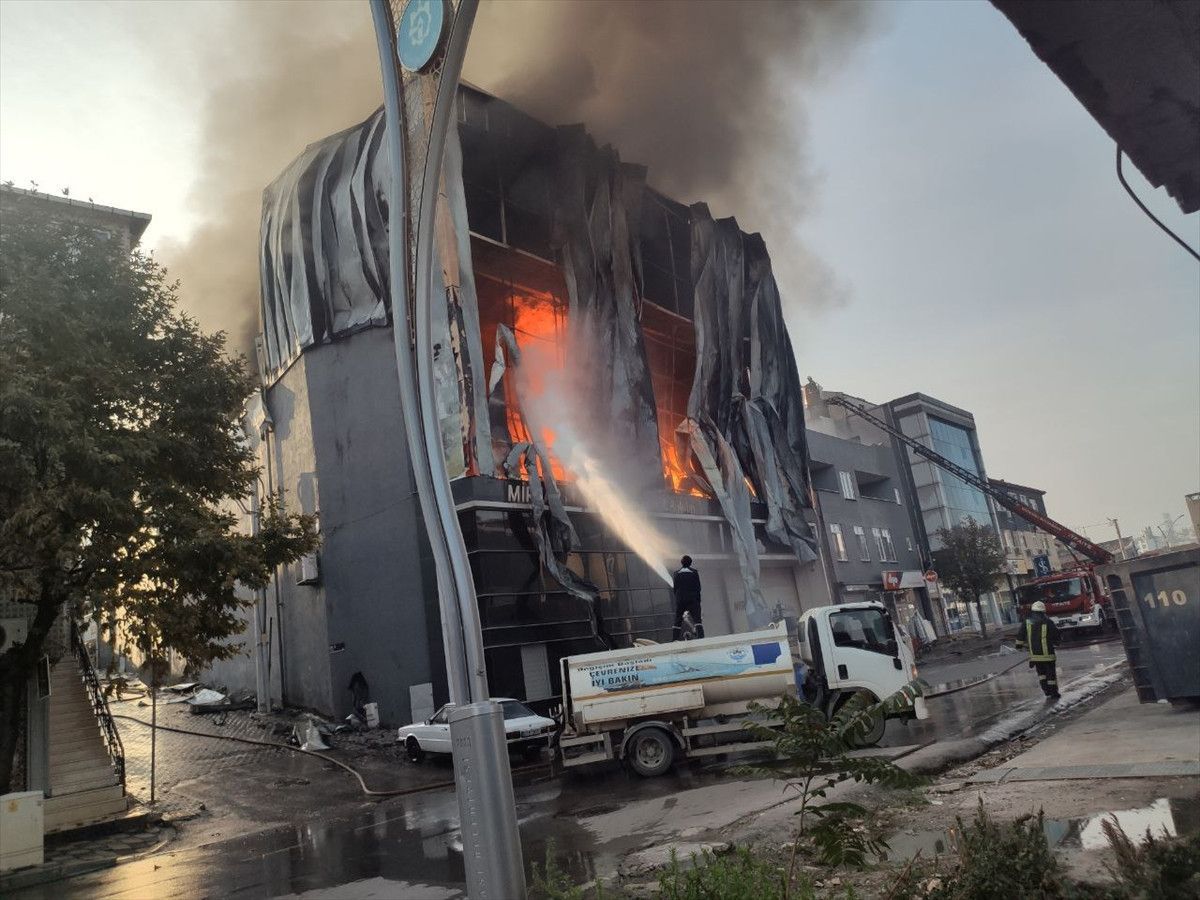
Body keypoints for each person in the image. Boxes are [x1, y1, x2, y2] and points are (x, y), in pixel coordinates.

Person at [1014, 600, 1060, 700]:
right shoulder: (1048, 621)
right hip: (1048, 655)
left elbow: (1020, 635)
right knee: (1051, 675)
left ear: (1033, 610)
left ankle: (1046, 690)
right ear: (1043, 611)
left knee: (1041, 674)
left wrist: (1018, 646)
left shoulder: (1027, 622)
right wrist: (1057, 643)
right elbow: (1056, 635)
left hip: (1035, 656)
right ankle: (1053, 693)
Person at [672, 555, 703, 640]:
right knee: (697, 619)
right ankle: (701, 637)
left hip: (680, 600)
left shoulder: (676, 573)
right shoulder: (694, 572)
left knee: (678, 619)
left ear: (681, 563)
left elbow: (675, 588)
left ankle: (674, 639)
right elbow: (698, 587)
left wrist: (678, 599)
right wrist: (698, 600)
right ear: (690, 563)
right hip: (692, 599)